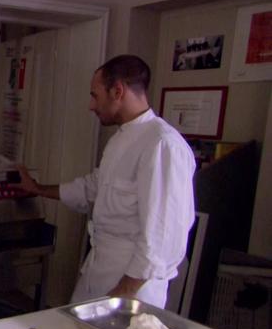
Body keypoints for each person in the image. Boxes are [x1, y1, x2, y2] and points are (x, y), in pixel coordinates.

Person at [15, 55, 195, 308]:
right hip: (98, 271)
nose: (91, 105)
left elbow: (163, 234)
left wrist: (124, 292)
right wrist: (37, 189)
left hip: (133, 287)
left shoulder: (162, 144)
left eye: (95, 95)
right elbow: (92, 188)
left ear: (117, 91)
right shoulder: (120, 139)